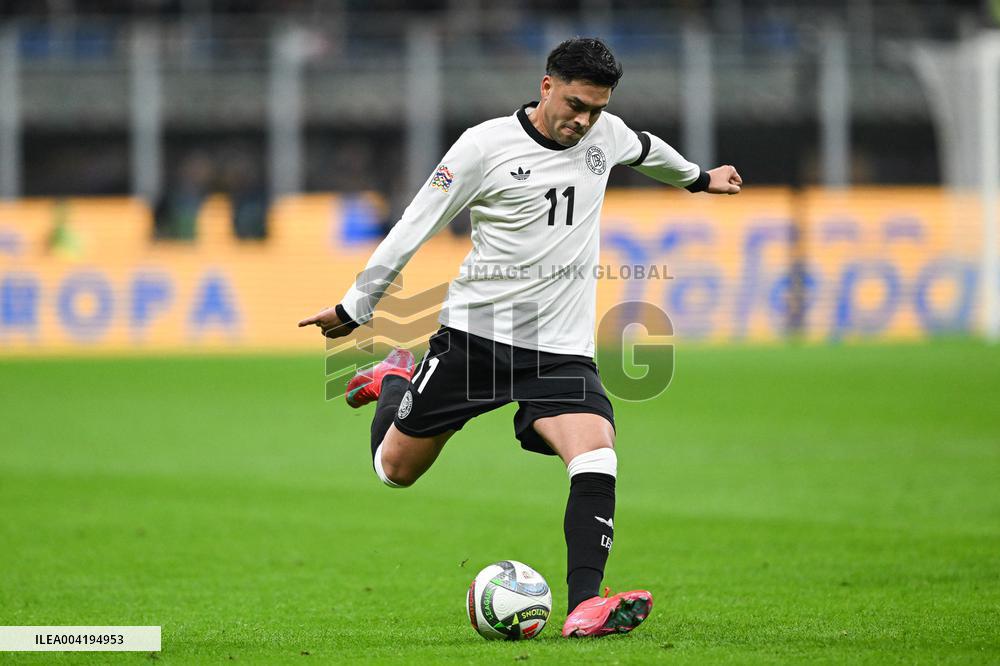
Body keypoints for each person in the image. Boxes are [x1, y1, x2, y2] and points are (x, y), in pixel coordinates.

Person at [299, 37, 742, 638]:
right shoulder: (484, 147)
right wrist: (356, 308)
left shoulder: (603, 134)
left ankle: (586, 603)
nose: (584, 121)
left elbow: (645, 149)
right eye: (576, 104)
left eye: (596, 108)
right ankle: (396, 376)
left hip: (560, 351)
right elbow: (414, 226)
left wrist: (697, 179)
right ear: (546, 86)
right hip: (475, 342)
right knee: (394, 471)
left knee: (596, 453)